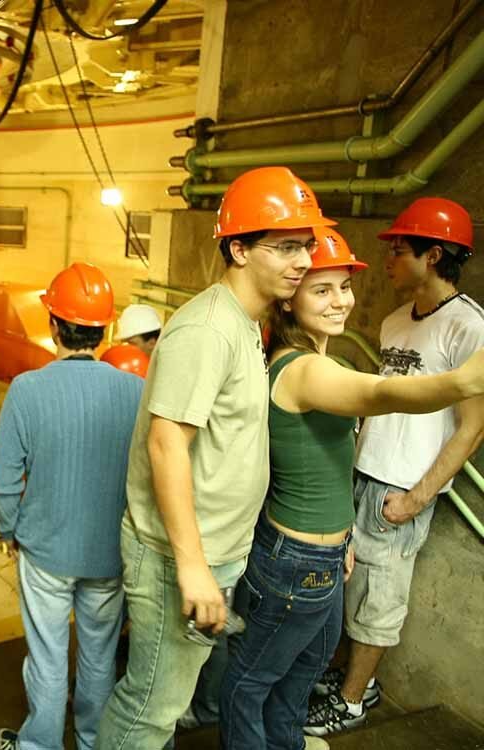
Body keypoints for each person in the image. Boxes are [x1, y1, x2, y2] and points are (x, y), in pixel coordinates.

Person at [219, 226, 484, 749]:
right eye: (322, 290)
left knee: (304, 670)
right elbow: (383, 392)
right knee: (250, 682)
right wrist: (463, 380)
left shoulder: (329, 361)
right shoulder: (303, 370)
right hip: (293, 559)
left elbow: (334, 461)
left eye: (344, 286)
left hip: (323, 554)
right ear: (290, 303)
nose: (341, 301)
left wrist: (342, 539)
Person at [96, 166, 333, 750]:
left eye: (304, 244)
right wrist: (193, 567)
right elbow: (166, 443)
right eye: (285, 247)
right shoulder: (206, 329)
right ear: (238, 248)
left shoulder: (247, 324)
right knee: (150, 704)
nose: (303, 260)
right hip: (175, 557)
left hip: (212, 553)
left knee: (168, 698)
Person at [305, 197, 484, 737]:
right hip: (363, 473)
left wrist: (417, 497)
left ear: (433, 256)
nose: (388, 259)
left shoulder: (469, 327)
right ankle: (348, 679)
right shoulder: (392, 321)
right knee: (348, 591)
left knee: (380, 600)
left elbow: (472, 426)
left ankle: (354, 700)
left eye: (400, 250)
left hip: (401, 488)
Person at [0, 263, 144, 750]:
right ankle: (94, 740)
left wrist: (11, 530)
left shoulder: (28, 391)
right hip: (109, 554)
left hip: (45, 552)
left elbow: (2, 480)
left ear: (53, 324)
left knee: (48, 658)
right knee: (99, 659)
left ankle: (39, 745)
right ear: (106, 329)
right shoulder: (136, 392)